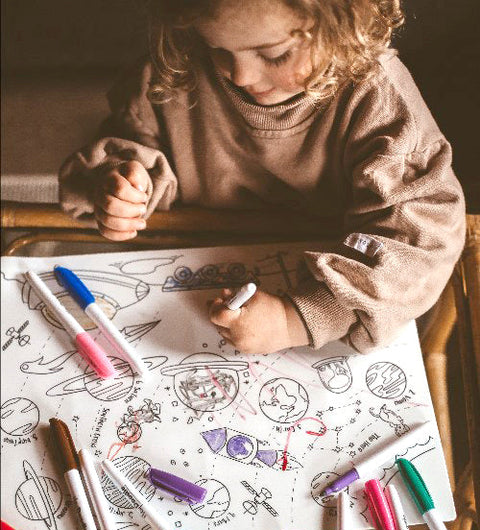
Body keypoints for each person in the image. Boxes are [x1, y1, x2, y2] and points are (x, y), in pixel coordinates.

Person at [59, 0, 465, 355]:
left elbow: (421, 239)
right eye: (216, 49)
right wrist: (124, 185)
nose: (240, 76)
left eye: (274, 56)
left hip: (319, 299)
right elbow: (131, 139)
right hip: (180, 269)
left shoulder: (377, 98)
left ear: (345, 24)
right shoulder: (178, 61)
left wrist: (302, 317)